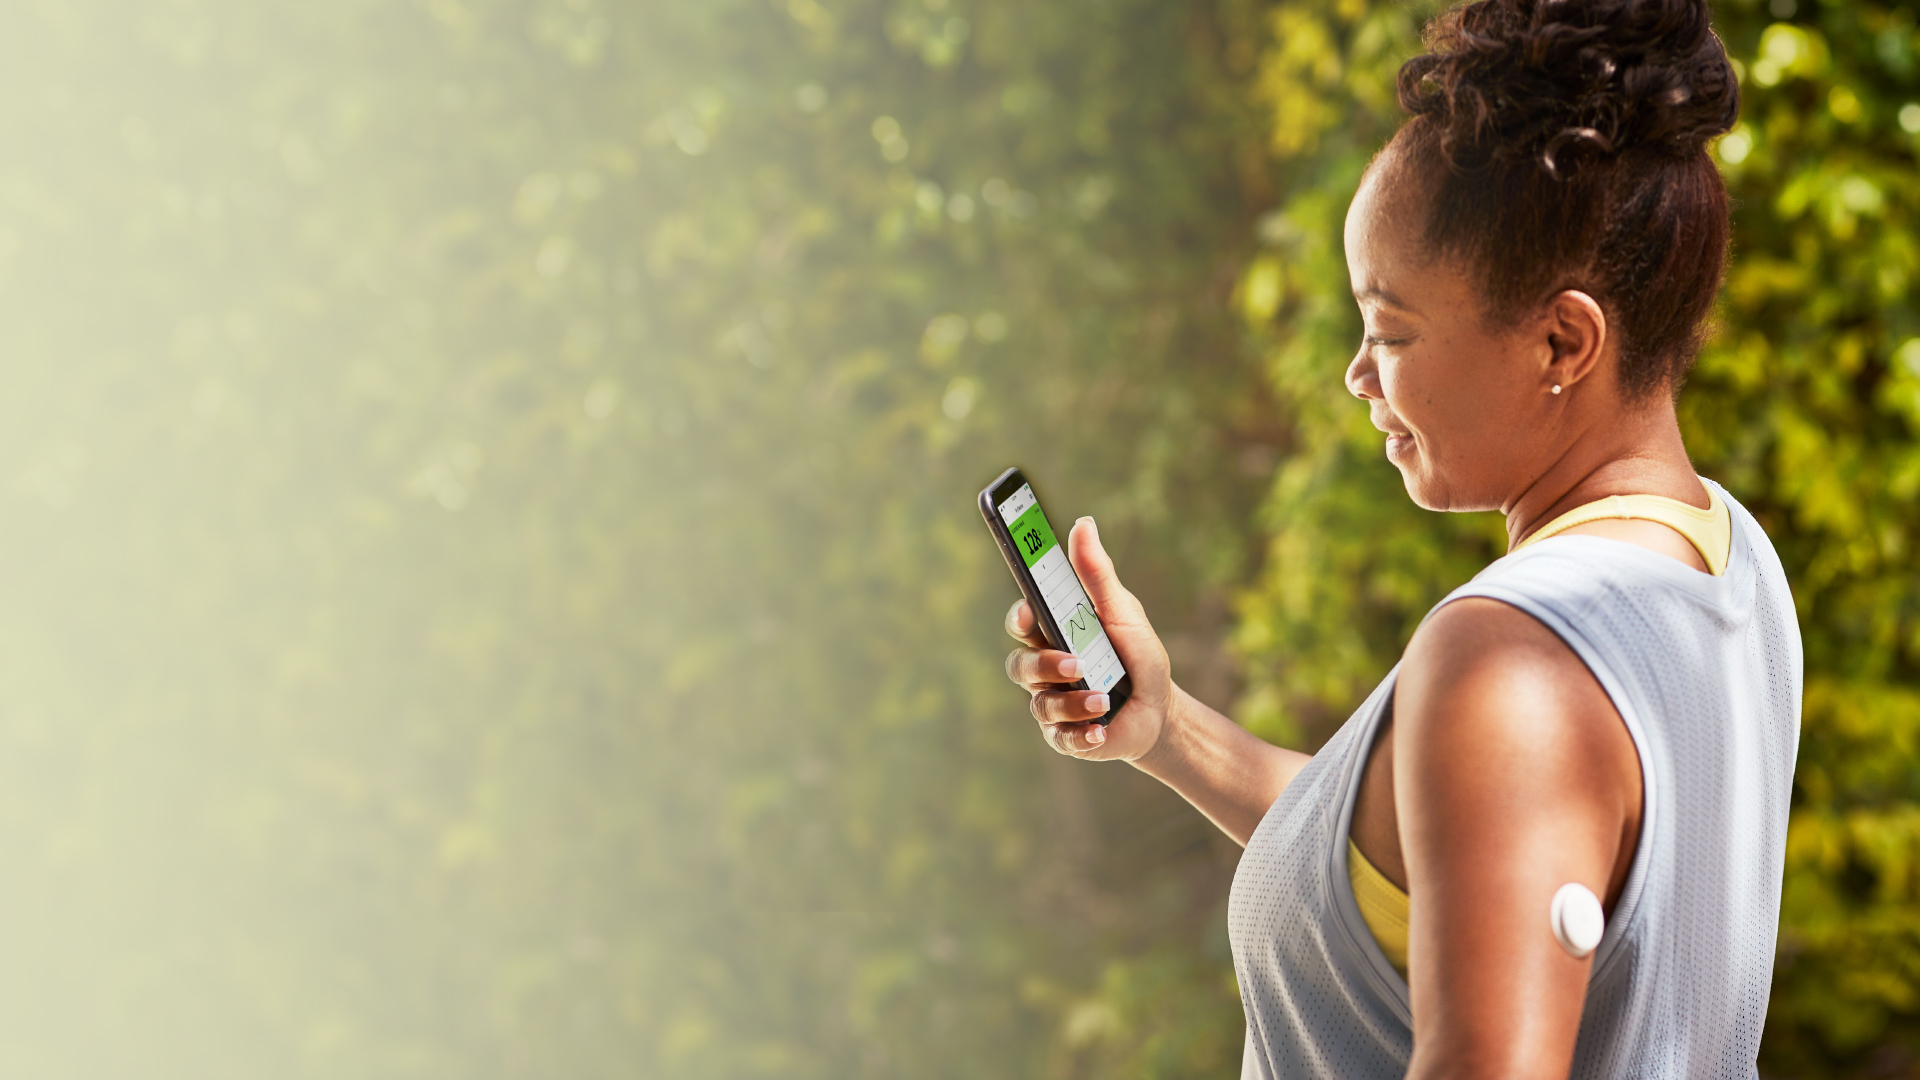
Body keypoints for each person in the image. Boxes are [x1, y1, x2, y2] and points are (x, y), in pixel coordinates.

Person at [1001, 0, 1802, 1076]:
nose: (1358, 374)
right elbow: (1441, 867)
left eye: (1391, 329)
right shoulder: (1728, 561)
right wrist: (1170, 730)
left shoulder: (1513, 660)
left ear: (1562, 339)